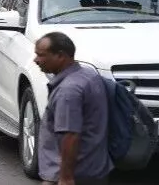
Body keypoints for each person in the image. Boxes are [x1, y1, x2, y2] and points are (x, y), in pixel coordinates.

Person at [33, 31, 112, 185]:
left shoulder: (68, 91)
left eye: (41, 55)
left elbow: (70, 135)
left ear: (61, 56)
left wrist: (65, 177)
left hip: (73, 174)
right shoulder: (88, 75)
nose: (36, 60)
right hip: (95, 168)